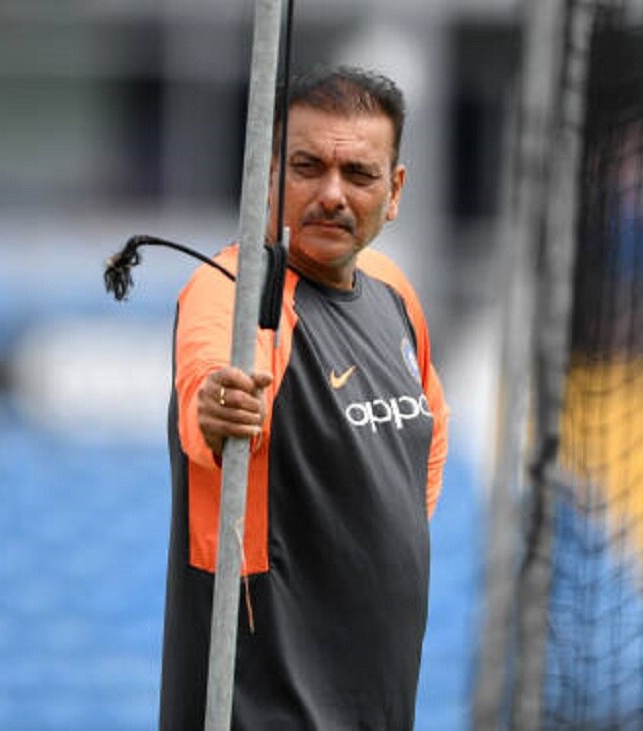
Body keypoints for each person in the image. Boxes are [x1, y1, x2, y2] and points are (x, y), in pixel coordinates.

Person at [158, 65, 449, 730]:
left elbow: (428, 431)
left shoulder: (392, 291)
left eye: (359, 174)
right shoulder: (232, 288)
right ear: (269, 174)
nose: (332, 194)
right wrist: (219, 407)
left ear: (395, 190)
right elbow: (211, 392)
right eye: (307, 166)